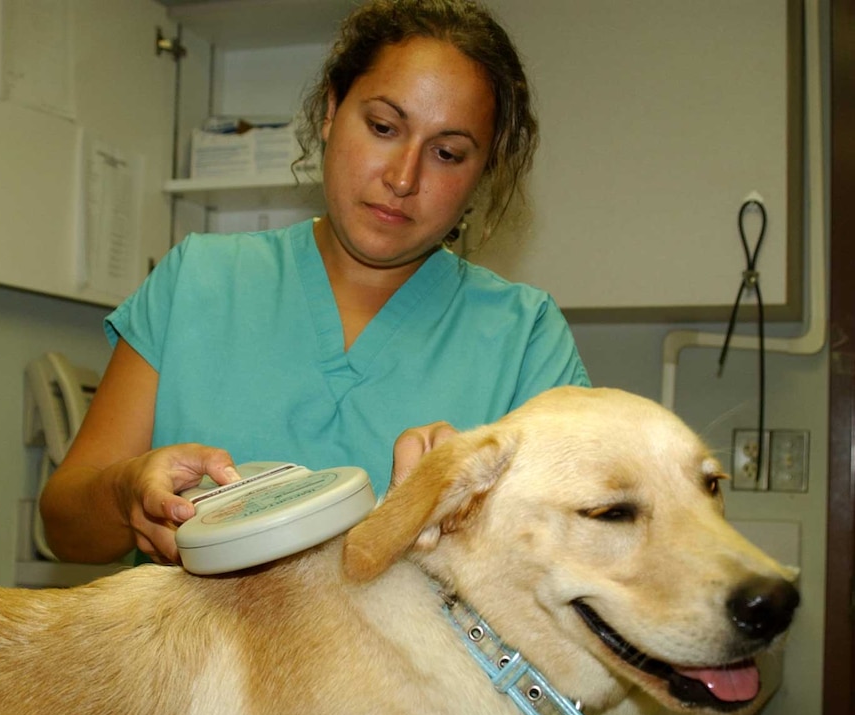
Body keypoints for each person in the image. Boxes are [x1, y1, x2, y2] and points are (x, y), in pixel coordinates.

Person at [40, 0, 590, 567]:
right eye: (382, 127)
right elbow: (65, 528)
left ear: (483, 171)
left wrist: (469, 507)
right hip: (184, 656)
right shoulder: (197, 281)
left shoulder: (525, 337)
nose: (403, 178)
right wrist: (127, 496)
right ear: (331, 112)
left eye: (447, 153)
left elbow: (575, 560)